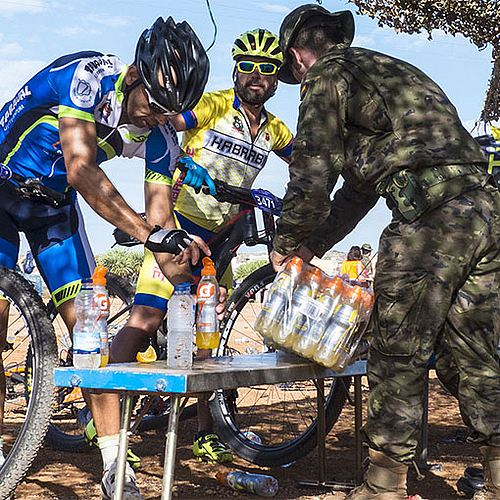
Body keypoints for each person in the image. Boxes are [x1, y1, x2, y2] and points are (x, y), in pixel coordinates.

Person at [270, 4, 500, 500]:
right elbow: (357, 192)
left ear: (297, 58)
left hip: (432, 221)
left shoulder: (326, 77)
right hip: (484, 212)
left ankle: (384, 487)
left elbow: (311, 171)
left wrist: (286, 244)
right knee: (475, 350)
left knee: (398, 349)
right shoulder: (391, 73)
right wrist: (312, 246)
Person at [0, 16, 211, 498]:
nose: (155, 119)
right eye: (153, 106)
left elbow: (159, 220)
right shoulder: (87, 77)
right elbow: (80, 167)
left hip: (52, 211)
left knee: (89, 337)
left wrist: (182, 264)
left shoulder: (161, 133)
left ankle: (115, 468)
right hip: (2, 191)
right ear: (136, 73)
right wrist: (147, 234)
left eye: (167, 114)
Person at [87, 27, 294, 476]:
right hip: (176, 223)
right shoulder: (216, 104)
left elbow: (308, 162)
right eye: (248, 67)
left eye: (267, 69)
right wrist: (186, 163)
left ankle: (203, 432)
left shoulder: (275, 129)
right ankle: (101, 415)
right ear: (236, 73)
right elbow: (161, 131)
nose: (256, 76)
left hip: (219, 238)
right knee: (145, 321)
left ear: (277, 78)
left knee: (207, 334)